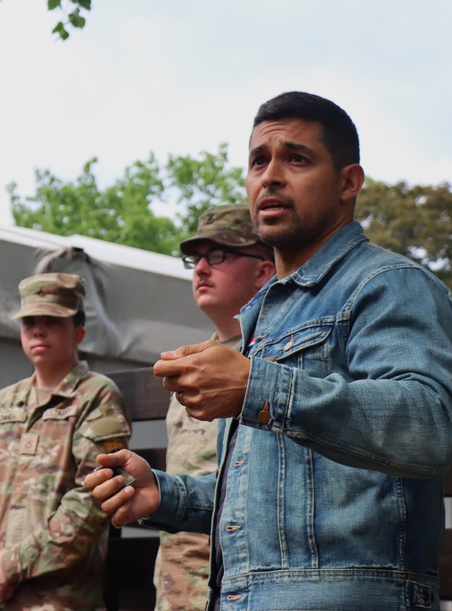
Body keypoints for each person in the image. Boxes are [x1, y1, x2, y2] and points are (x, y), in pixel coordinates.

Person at [86, 91, 452, 610]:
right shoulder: (264, 314)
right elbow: (263, 503)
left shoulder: (390, 284)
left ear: (348, 183)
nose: (270, 176)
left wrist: (254, 386)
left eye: (297, 158)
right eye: (258, 161)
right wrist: (163, 494)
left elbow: (431, 426)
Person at [0, 273, 132, 610]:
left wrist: (13, 564)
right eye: (29, 322)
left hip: (56, 598)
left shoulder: (96, 395)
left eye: (51, 321)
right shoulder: (2, 403)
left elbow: (92, 497)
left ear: (77, 331)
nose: (37, 330)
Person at [153, 205, 275, 611]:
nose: (201, 268)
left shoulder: (276, 365)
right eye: (196, 257)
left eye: (219, 254)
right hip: (177, 588)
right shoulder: (191, 361)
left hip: (241, 588)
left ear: (264, 270)